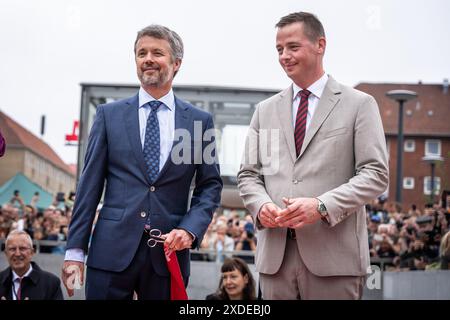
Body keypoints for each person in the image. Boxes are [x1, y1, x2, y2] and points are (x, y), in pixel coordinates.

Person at [61, 24, 222, 300]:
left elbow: (210, 186)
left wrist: (189, 229)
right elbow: (89, 187)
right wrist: (75, 251)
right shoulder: (108, 115)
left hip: (168, 255)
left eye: (157, 52)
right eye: (141, 53)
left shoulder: (199, 121)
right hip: (110, 253)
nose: (147, 58)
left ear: (176, 63)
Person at [238, 12, 388, 299]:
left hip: (334, 261)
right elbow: (249, 175)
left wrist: (321, 206)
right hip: (275, 262)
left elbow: (375, 174)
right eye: (279, 49)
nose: (284, 56)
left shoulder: (359, 105)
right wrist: (261, 206)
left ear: (321, 45)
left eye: (293, 47)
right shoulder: (265, 110)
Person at [0, 230, 63, 300]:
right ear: (6, 253)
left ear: (32, 252)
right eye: (12, 249)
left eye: (22, 248)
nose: (17, 254)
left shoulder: (51, 283)